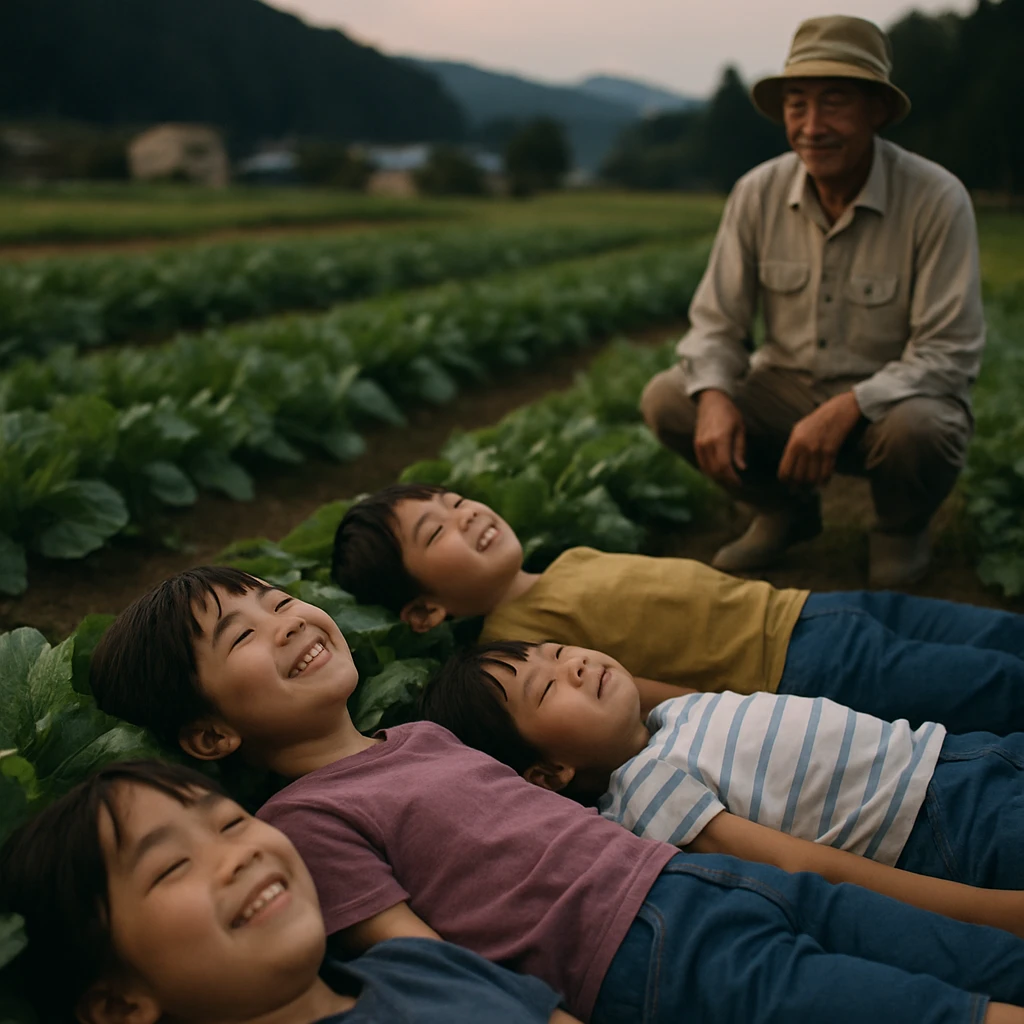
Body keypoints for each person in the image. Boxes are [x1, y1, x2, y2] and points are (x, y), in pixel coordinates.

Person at [88, 566, 1024, 1024]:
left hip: (691, 878)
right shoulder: (303, 820)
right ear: (210, 737)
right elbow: (421, 961)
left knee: (968, 958)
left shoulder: (419, 737)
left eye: (278, 598)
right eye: (242, 635)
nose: (287, 620)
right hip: (639, 956)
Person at [639, 15, 984, 587]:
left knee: (921, 428)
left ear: (877, 110)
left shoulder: (936, 198)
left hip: (889, 408)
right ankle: (783, 512)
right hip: (784, 391)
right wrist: (715, 395)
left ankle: (900, 529)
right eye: (797, 105)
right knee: (670, 398)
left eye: (835, 102)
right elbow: (715, 324)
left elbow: (949, 353)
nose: (812, 126)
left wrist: (849, 406)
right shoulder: (757, 192)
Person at [331, 483, 1024, 736]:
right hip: (792, 666)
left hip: (804, 608)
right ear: (424, 613)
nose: (467, 516)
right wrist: (757, 717)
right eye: (438, 533)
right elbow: (638, 693)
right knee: (985, 686)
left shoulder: (566, 562)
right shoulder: (519, 643)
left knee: (988, 635)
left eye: (456, 502)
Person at [421, 639, 1024, 901]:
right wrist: (988, 913)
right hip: (940, 826)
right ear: (550, 772)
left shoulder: (668, 717)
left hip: (956, 754)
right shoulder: (643, 790)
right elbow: (801, 865)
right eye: (548, 688)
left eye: (557, 651)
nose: (573, 664)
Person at [0, 760, 577, 1024]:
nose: (238, 854)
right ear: (119, 1007)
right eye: (172, 866)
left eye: (231, 822)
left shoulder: (420, 962)